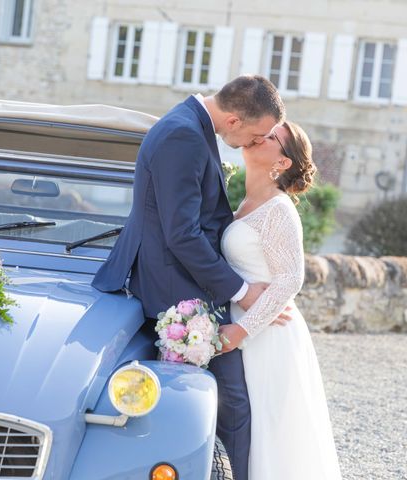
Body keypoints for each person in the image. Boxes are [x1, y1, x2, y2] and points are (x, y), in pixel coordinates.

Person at [92, 75, 285, 480]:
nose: (255, 142)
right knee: (230, 402)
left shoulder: (189, 127)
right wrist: (241, 290)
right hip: (176, 289)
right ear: (233, 120)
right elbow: (182, 234)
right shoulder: (184, 136)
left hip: (183, 281)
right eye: (256, 134)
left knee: (218, 401)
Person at [219, 121, 342, 479]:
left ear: (283, 162)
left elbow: (291, 277)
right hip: (246, 330)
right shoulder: (246, 202)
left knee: (271, 434)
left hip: (268, 337)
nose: (260, 136)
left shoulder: (279, 209)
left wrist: (241, 331)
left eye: (271, 137)